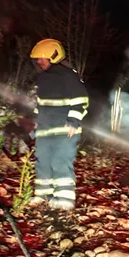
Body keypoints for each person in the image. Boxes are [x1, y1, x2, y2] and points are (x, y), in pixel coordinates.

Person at [29, 38, 89, 210]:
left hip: (65, 130)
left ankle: (64, 200)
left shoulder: (69, 76)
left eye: (42, 58)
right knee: (43, 163)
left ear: (53, 56)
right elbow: (40, 105)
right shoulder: (43, 79)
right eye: (38, 58)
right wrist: (35, 124)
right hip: (45, 131)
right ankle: (42, 195)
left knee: (61, 162)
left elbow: (81, 100)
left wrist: (73, 121)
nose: (39, 61)